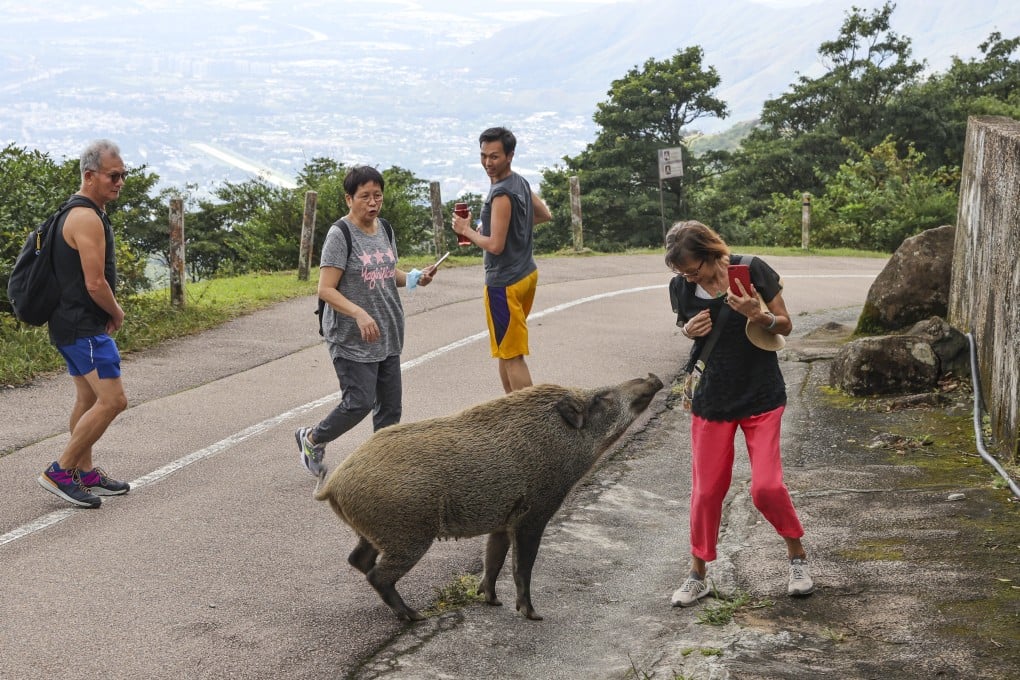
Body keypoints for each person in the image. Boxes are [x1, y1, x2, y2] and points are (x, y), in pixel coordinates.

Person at [664, 220, 814, 606]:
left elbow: (785, 324)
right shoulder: (681, 288)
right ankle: (698, 575)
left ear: (711, 253)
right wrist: (689, 332)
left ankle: (797, 558)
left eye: (692, 268)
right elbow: (687, 329)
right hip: (712, 398)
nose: (687, 276)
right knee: (707, 492)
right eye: (681, 271)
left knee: (767, 487)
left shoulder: (751, 270)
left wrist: (758, 315)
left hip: (761, 393)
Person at [295, 165, 435, 477]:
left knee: (389, 409)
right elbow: (325, 289)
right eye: (365, 197)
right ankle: (312, 438)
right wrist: (358, 313)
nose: (372, 203)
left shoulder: (384, 228)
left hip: (387, 331)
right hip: (350, 336)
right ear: (349, 199)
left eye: (378, 196)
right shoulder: (340, 234)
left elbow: (387, 274)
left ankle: (383, 469)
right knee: (358, 403)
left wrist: (415, 278)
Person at [36, 139, 131, 509]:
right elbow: (95, 282)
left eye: (123, 174)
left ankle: (85, 473)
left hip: (68, 325)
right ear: (90, 176)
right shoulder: (86, 218)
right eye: (113, 175)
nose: (120, 181)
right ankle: (61, 470)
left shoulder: (73, 212)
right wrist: (117, 312)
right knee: (114, 401)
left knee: (87, 398)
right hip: (85, 328)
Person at [452, 126, 551, 393]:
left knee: (513, 355)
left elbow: (495, 246)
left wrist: (467, 231)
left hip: (504, 283)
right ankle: (510, 409)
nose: (487, 163)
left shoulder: (500, 194)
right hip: (526, 274)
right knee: (505, 350)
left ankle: (531, 420)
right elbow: (542, 214)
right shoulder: (520, 182)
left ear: (510, 155)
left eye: (494, 156)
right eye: (483, 155)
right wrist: (504, 227)